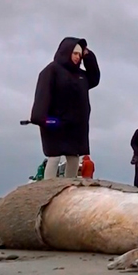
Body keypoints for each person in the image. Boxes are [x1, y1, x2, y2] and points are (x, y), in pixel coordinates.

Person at [30, 37, 100, 180]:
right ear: (66, 51)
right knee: (54, 157)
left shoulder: (81, 75)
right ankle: (48, 188)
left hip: (75, 126)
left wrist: (88, 55)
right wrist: (45, 120)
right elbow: (42, 97)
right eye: (75, 53)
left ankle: (70, 188)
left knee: (73, 158)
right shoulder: (51, 70)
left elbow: (94, 78)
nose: (77, 57)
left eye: (80, 55)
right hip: (55, 123)